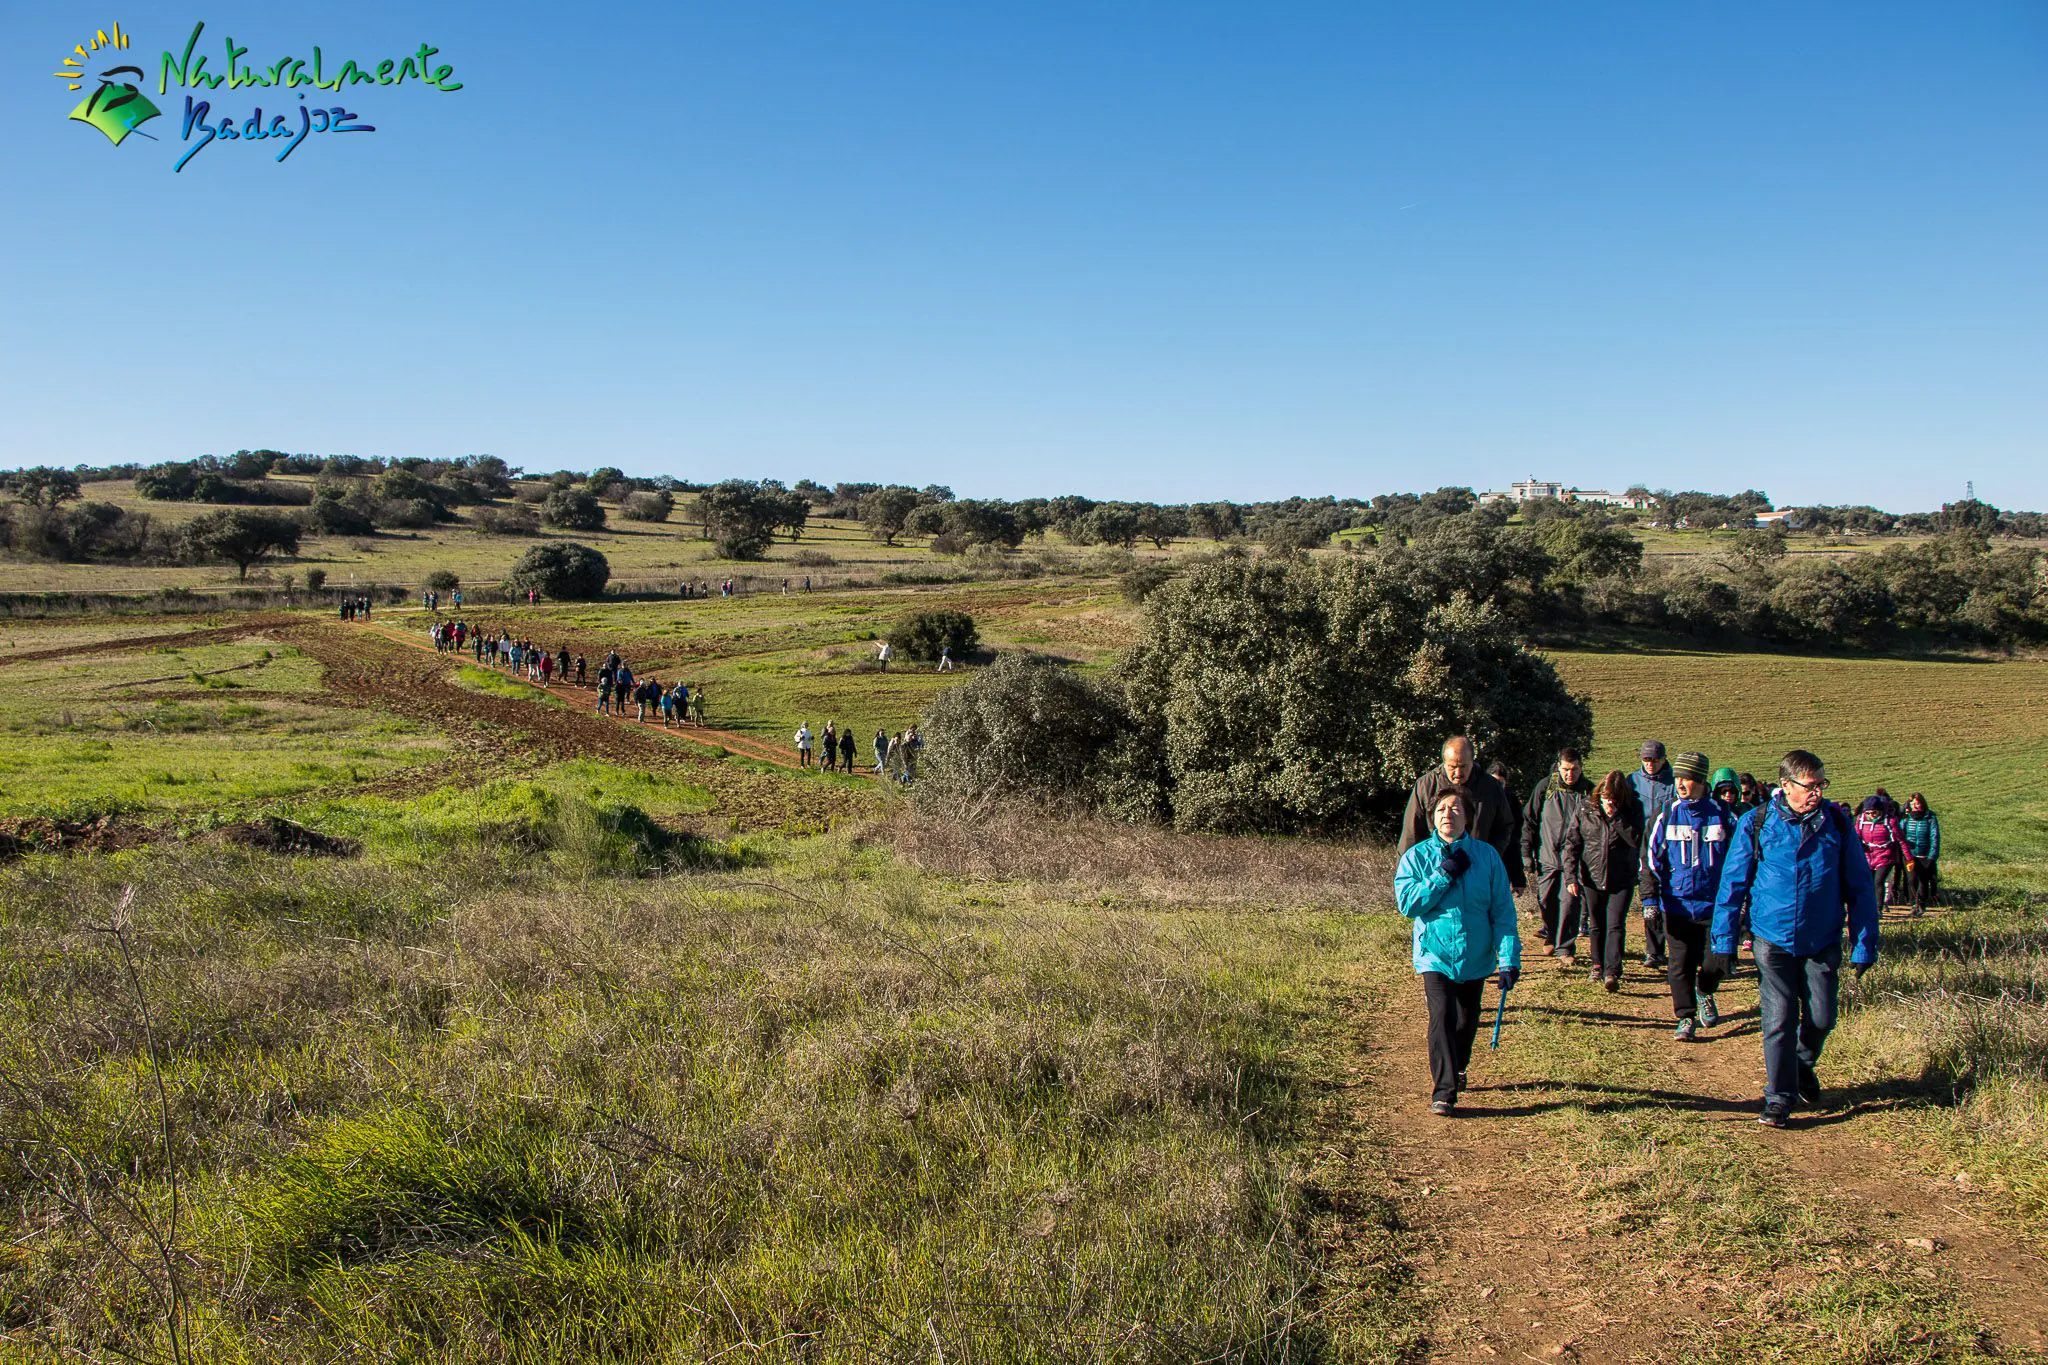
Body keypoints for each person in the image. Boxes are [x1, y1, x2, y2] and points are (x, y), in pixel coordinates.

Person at [1706, 750, 1880, 1128]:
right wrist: (1723, 942)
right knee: (1779, 1019)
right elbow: (1732, 884)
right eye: (1810, 785)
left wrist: (1865, 943)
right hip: (1772, 939)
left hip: (1823, 939)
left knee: (1822, 1016)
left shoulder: (1837, 823)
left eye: (1822, 784)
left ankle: (1802, 1062)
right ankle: (1779, 1098)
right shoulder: (1757, 823)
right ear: (1785, 786)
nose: (1817, 791)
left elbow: (1861, 888)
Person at [1394, 786, 1521, 1116]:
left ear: (1468, 818)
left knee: (1466, 1021)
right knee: (1442, 1017)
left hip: (1476, 955)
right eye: (1440, 810)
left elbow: (1503, 912)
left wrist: (1508, 959)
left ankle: (1458, 1067)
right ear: (1432, 818)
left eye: (1455, 809)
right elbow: (1408, 904)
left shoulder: (1488, 857)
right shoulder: (1417, 857)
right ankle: (1444, 1091)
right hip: (1433, 953)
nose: (1447, 815)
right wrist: (1442, 875)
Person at [1641, 752, 1739, 1040]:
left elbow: (1740, 859)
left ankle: (1705, 990)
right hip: (1678, 905)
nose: (1681, 784)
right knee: (1679, 964)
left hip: (1716, 907)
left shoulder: (1723, 816)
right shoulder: (1666, 815)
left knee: (1716, 962)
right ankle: (1685, 1017)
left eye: (1687, 778)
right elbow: (1650, 862)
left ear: (1700, 780)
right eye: (1678, 778)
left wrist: (1740, 902)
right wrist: (1650, 901)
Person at [1397, 736, 1526, 891]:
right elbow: (1412, 833)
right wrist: (1405, 875)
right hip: (1436, 872)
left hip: (1479, 870)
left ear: (1473, 761)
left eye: (1463, 766)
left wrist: (1489, 858)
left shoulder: (1491, 787)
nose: (1458, 773)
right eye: (1452, 767)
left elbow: (1505, 829)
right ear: (1444, 762)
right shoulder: (1426, 785)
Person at [1564, 770, 1643, 992]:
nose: (1609, 803)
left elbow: (1637, 840)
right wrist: (1571, 876)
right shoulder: (1585, 808)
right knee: (1597, 924)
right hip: (1592, 876)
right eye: (1606, 798)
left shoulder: (1633, 809)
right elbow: (1572, 844)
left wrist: (1617, 818)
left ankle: (1612, 971)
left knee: (1616, 924)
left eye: (1614, 800)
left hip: (1622, 878)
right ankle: (1597, 965)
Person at [1523, 748, 1592, 961]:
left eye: (1574, 769)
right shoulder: (1546, 787)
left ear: (1581, 768)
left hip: (1575, 860)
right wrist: (1526, 853)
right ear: (1558, 767)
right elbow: (1530, 821)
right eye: (1565, 769)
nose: (1569, 774)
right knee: (1546, 900)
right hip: (1547, 856)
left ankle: (1565, 948)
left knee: (1570, 902)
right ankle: (1551, 935)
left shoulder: (1589, 792)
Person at [1629, 741, 1677, 968]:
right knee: (1650, 899)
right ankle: (1654, 951)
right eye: (1646, 759)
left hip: (1670, 846)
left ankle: (1676, 947)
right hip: (1641, 846)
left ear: (1664, 759)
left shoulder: (1675, 782)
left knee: (1670, 898)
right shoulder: (1632, 782)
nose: (1650, 764)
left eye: (1655, 760)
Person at [1855, 796, 1910, 910]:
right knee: (1868, 881)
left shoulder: (1890, 822)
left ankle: (1878, 908)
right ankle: (1868, 906)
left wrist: (1909, 858)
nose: (1871, 815)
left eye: (1874, 812)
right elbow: (1856, 838)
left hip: (1886, 855)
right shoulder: (1861, 821)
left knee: (1879, 881)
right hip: (1868, 855)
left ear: (1880, 810)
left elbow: (1902, 841)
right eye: (1868, 813)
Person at [1899, 794, 1940, 914]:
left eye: (1917, 803)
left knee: (1923, 881)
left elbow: (1935, 837)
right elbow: (1899, 833)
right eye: (1912, 804)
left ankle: (1920, 904)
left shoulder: (1930, 818)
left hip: (1925, 855)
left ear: (1922, 803)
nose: (1915, 806)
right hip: (1910, 856)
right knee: (1911, 879)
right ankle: (1915, 903)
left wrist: (1932, 856)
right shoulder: (1906, 819)